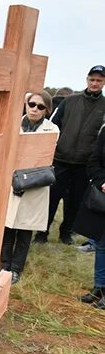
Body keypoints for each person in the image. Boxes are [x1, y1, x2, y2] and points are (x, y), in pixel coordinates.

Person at [36, 65, 105, 245]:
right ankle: (41, 233)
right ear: (86, 79)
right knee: (50, 199)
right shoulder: (70, 101)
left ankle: (66, 233)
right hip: (60, 160)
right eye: (92, 79)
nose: (95, 83)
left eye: (99, 80)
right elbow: (51, 127)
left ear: (104, 83)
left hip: (84, 165)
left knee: (75, 202)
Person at [0, 91, 59, 284]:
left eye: (40, 106)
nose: (35, 109)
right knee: (8, 227)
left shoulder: (52, 130)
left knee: (25, 230)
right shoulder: (12, 126)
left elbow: (44, 157)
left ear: (47, 110)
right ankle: (4, 265)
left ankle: (16, 269)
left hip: (34, 184)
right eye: (32, 104)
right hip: (11, 181)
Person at [73, 127, 105, 308]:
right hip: (103, 197)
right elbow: (94, 161)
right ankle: (99, 288)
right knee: (101, 244)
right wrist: (102, 182)